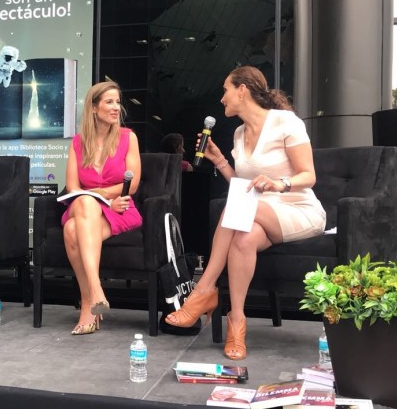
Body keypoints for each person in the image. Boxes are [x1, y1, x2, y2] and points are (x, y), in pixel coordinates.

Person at [164, 66, 326, 360]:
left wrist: (279, 184)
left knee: (234, 205)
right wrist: (220, 161)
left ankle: (203, 290)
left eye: (225, 90)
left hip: (297, 207)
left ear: (242, 90)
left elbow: (309, 176)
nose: (222, 98)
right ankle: (237, 322)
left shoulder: (286, 122)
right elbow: (243, 185)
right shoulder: (239, 133)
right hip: (257, 211)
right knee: (243, 239)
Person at [61, 81, 143, 335]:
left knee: (72, 230)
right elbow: (72, 187)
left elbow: (133, 184)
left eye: (118, 102)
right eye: (109, 102)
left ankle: (88, 303)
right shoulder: (78, 142)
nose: (116, 107)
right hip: (83, 205)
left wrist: (102, 196)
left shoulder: (128, 137)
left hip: (119, 206)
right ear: (94, 107)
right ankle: (95, 290)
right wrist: (95, 198)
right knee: (85, 202)